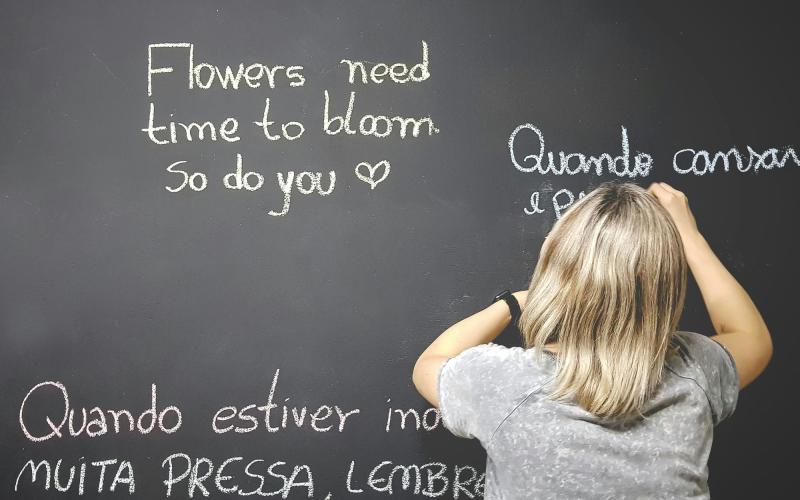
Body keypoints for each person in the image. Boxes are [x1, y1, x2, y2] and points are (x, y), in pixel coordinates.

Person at [412, 181, 772, 499]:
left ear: (553, 266)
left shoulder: (506, 385)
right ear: (666, 288)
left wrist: (515, 302)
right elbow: (750, 336)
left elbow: (430, 363)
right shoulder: (695, 372)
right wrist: (688, 235)